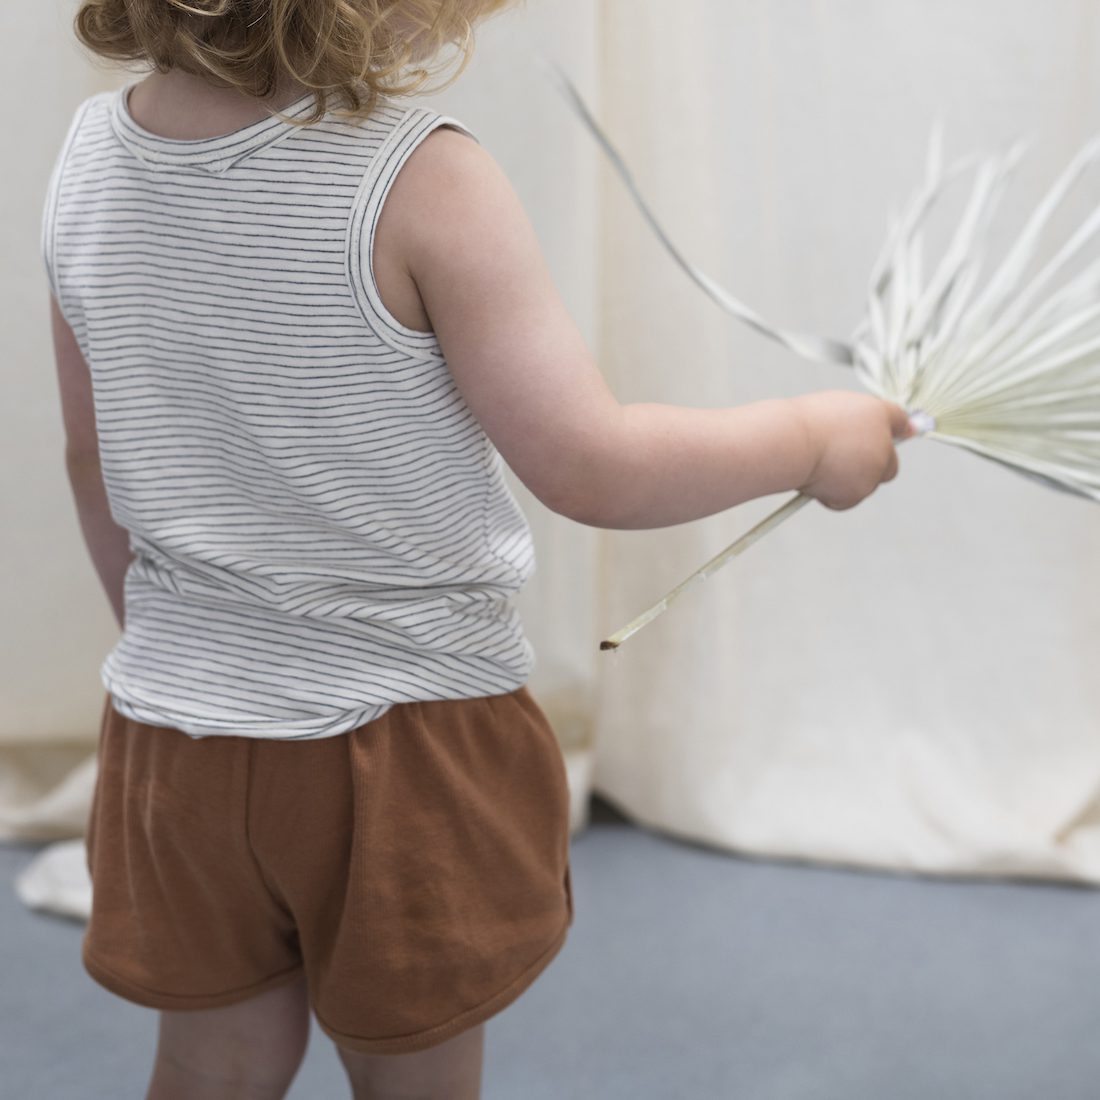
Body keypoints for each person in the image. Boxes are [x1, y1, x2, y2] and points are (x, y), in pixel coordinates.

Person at [43, 1, 914, 1097]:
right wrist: (808, 438)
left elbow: (92, 460)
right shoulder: (423, 180)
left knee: (211, 1060)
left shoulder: (89, 156)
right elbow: (590, 465)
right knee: (413, 1076)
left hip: (176, 736)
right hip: (403, 746)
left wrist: (191, 662)